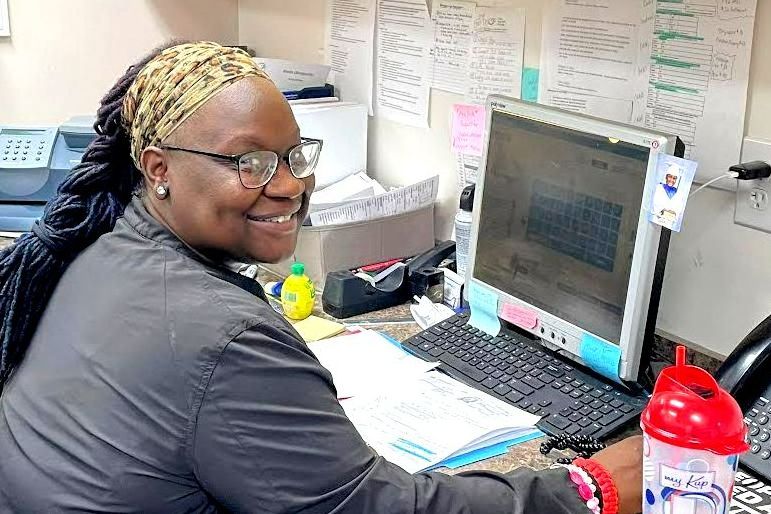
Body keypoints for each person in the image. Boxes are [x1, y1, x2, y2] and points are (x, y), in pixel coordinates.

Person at [0, 41, 643, 513]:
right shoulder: (222, 339)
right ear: (158, 167)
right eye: (247, 162)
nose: (287, 186)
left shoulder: (96, 249)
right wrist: (591, 488)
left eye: (294, 156)